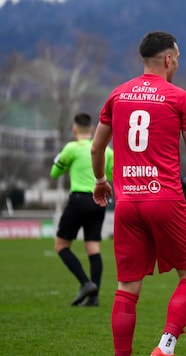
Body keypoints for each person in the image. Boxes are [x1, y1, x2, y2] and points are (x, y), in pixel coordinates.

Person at [90, 31, 186, 356]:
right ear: (168, 59)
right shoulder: (179, 97)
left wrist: (101, 180)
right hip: (164, 198)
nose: (178, 64)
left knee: (127, 287)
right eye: (178, 59)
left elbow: (97, 147)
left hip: (127, 202)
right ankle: (165, 347)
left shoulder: (117, 94)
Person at [50, 112, 113, 307]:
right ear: (92, 129)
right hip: (99, 200)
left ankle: (86, 283)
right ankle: (94, 298)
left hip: (78, 199)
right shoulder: (107, 150)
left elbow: (55, 173)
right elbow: (112, 175)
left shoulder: (71, 148)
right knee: (93, 247)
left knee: (61, 246)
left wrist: (59, 160)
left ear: (74, 129)